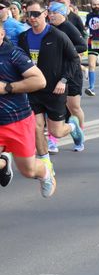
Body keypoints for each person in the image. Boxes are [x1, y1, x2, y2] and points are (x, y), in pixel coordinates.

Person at [18, 0, 84, 162]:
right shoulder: (23, 37)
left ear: (45, 14)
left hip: (54, 89)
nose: (32, 18)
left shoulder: (57, 35)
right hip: (33, 90)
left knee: (56, 132)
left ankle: (73, 126)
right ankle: (45, 162)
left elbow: (74, 59)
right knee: (36, 127)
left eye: (36, 14)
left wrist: (63, 80)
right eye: (29, 14)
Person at [0, 20, 57, 197]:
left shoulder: (12, 54)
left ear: (1, 34)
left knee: (28, 170)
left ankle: (45, 172)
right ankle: (3, 161)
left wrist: (7, 88)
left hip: (16, 120)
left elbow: (39, 81)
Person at [47, 2, 87, 151]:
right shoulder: (49, 28)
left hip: (72, 72)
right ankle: (53, 140)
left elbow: (83, 46)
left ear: (63, 15)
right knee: (56, 106)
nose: (51, 16)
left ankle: (79, 134)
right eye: (49, 13)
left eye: (54, 13)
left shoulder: (69, 28)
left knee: (74, 107)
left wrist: (64, 50)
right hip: (55, 73)